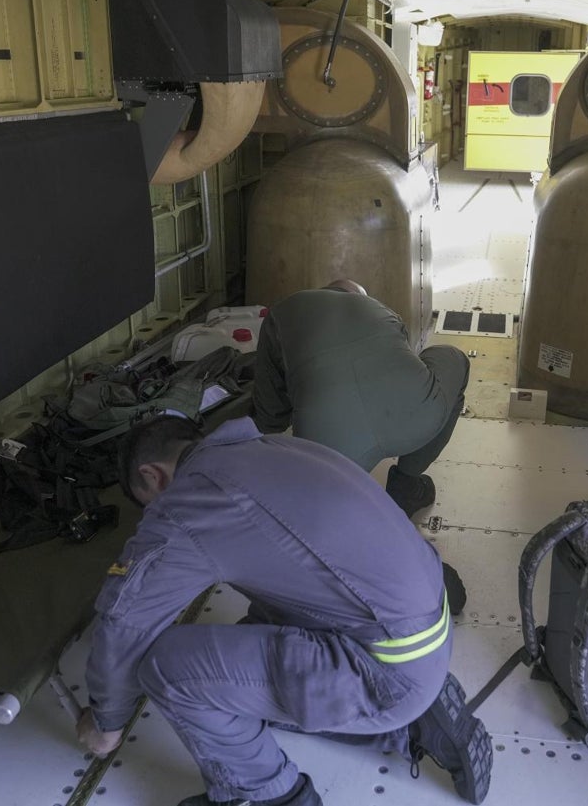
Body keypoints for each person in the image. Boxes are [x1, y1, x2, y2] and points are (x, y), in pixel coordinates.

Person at [76, 414, 492, 806]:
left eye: (148, 504)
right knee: (239, 665)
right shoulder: (273, 448)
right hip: (422, 635)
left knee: (169, 669)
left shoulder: (195, 496)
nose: (154, 516)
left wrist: (107, 721)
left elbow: (125, 618)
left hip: (388, 671)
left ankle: (270, 795)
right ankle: (415, 727)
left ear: (152, 475)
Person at [253, 280, 470, 518]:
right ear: (359, 295)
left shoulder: (282, 312)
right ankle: (406, 484)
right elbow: (401, 362)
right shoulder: (381, 311)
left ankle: (334, 497)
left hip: (330, 449)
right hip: (415, 418)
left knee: (323, 512)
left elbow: (270, 413)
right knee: (453, 357)